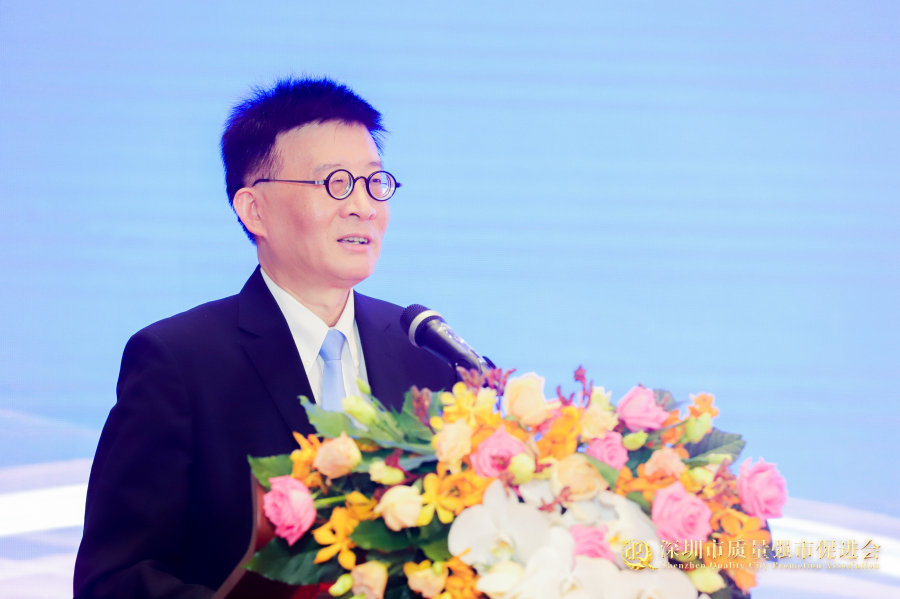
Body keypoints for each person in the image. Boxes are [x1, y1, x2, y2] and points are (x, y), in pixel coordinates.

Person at [73, 77, 458, 599]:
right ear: (254, 209)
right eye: (335, 183)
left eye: (374, 182)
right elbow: (112, 580)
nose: (363, 206)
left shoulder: (426, 355)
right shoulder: (178, 363)